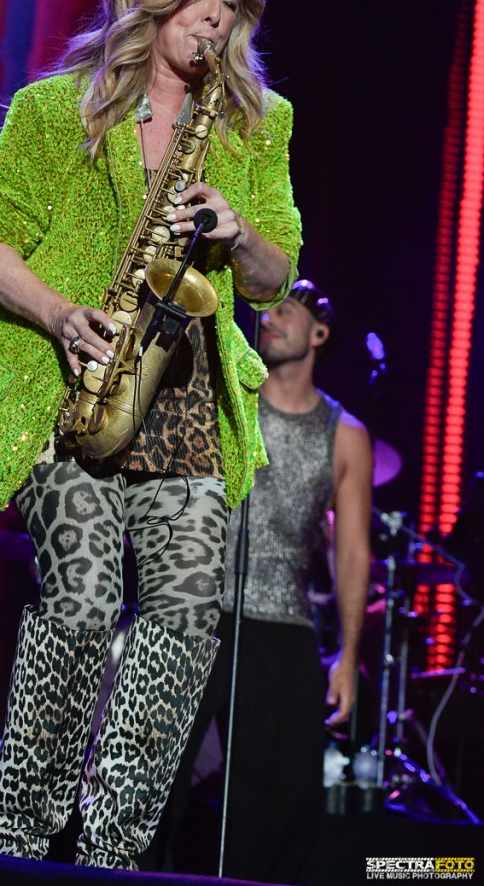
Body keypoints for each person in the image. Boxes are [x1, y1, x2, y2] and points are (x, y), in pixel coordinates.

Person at [0, 0, 302, 870]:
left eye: (231, 4)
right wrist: (61, 314)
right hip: (67, 394)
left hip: (185, 408)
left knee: (183, 622)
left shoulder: (256, 125)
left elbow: (275, 275)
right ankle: (22, 838)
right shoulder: (57, 108)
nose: (215, 18)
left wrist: (237, 231)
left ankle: (113, 852)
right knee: (82, 601)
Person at [154, 279, 373, 885]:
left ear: (319, 333)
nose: (269, 319)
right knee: (152, 783)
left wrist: (348, 655)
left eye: (286, 310)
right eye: (265, 311)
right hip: (192, 611)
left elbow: (353, 553)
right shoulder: (224, 395)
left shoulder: (346, 435)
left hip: (282, 627)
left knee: (272, 805)